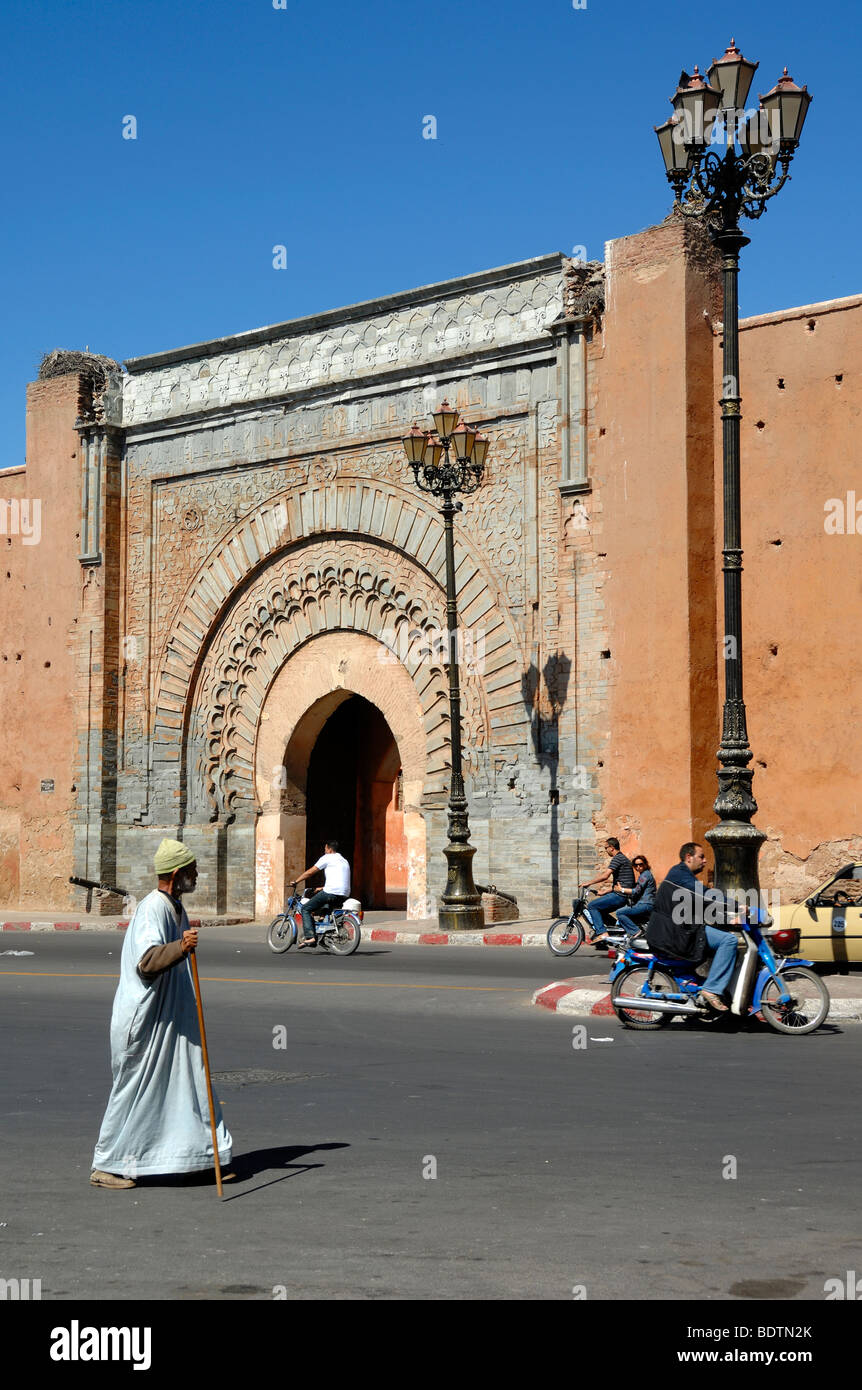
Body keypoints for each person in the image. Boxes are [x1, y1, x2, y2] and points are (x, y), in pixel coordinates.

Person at [90, 839, 233, 1189]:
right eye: (191, 870)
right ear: (175, 873)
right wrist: (180, 948)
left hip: (174, 1021)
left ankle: (201, 1157)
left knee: (190, 1086)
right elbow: (147, 963)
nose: (196, 874)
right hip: (147, 1021)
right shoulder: (153, 908)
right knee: (134, 1091)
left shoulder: (176, 908)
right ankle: (106, 1164)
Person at [646, 842, 739, 1012]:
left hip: (678, 930)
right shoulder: (680, 875)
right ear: (689, 857)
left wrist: (727, 918)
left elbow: (701, 907)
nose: (705, 861)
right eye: (701, 856)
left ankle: (704, 987)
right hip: (673, 934)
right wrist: (738, 906)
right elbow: (705, 896)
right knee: (729, 940)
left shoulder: (683, 875)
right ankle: (711, 989)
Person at [292, 839, 351, 949]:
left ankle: (310, 937)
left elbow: (311, 872)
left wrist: (297, 881)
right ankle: (322, 936)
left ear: (328, 849)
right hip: (344, 894)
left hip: (331, 892)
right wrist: (321, 888)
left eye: (325, 849)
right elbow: (339, 880)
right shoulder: (343, 860)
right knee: (324, 905)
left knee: (306, 909)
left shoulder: (327, 858)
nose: (324, 851)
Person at [582, 836, 635, 945]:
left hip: (621, 896)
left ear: (611, 847)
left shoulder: (618, 858)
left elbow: (605, 876)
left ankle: (602, 933)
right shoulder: (621, 858)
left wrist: (589, 882)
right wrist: (604, 892)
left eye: (606, 847)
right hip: (621, 894)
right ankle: (614, 931)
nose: (605, 850)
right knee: (600, 911)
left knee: (592, 906)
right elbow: (618, 883)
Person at [615, 854, 657, 937]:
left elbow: (636, 891)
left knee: (620, 913)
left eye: (641, 864)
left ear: (645, 864)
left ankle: (636, 932)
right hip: (646, 904)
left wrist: (621, 890)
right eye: (636, 865)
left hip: (645, 904)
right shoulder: (644, 875)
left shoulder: (645, 875)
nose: (638, 867)